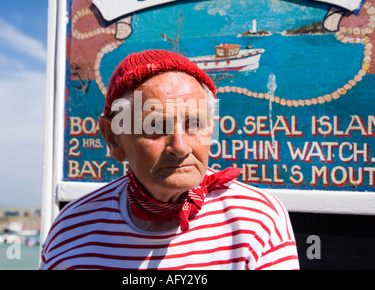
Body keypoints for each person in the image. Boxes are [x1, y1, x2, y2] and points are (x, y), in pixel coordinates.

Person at [40, 49, 299, 270]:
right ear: (114, 138)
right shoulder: (73, 229)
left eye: (195, 124)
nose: (180, 146)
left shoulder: (257, 218)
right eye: (154, 127)